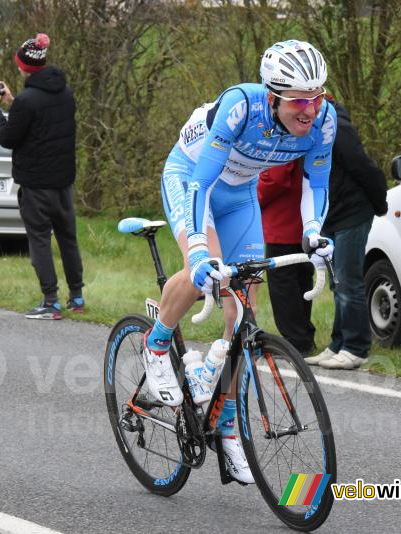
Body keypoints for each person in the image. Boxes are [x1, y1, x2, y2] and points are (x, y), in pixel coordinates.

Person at [151, 40, 337, 483]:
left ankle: (228, 427)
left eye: (318, 97)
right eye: (298, 101)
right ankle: (157, 344)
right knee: (207, 275)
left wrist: (313, 232)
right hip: (194, 181)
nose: (310, 110)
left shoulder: (323, 122)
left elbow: (316, 183)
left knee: (243, 315)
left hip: (240, 197)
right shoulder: (240, 107)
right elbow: (201, 182)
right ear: (272, 97)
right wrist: (197, 250)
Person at [0, 33, 84, 320]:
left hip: (36, 184)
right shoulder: (63, 93)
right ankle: (77, 296)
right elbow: (41, 121)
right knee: (68, 238)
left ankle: (50, 301)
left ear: (23, 66)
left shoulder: (28, 101)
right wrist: (14, 102)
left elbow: (8, 137)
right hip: (63, 180)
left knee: (39, 239)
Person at [305, 100, 388, 370]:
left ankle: (356, 348)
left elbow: (364, 167)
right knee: (336, 283)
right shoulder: (308, 129)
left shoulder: (337, 126)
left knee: (349, 281)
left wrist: (379, 204)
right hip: (332, 214)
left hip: (353, 211)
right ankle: (338, 344)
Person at [257, 158, 317, 356]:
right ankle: (303, 336)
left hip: (282, 220)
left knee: (284, 284)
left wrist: (248, 196)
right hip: (300, 221)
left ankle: (295, 340)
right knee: (301, 279)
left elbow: (275, 179)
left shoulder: (283, 143)